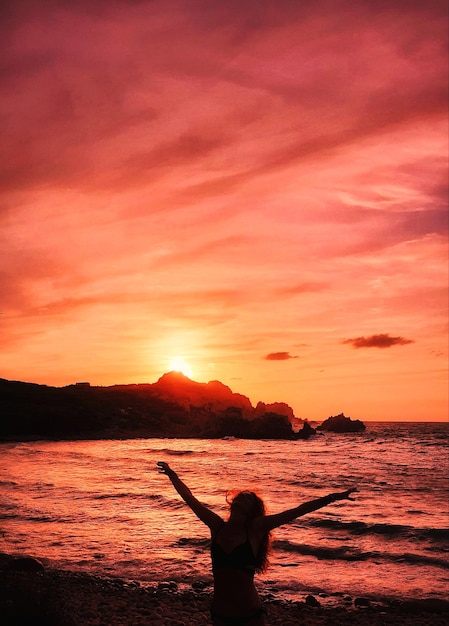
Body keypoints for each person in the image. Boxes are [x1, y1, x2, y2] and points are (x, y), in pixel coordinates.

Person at [157, 461, 357, 626]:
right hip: (220, 615)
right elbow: (190, 499)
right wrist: (173, 476)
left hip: (250, 617)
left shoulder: (256, 529)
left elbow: (297, 511)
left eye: (247, 498)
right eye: (239, 497)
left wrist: (332, 498)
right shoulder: (216, 525)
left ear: (252, 509)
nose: (241, 498)